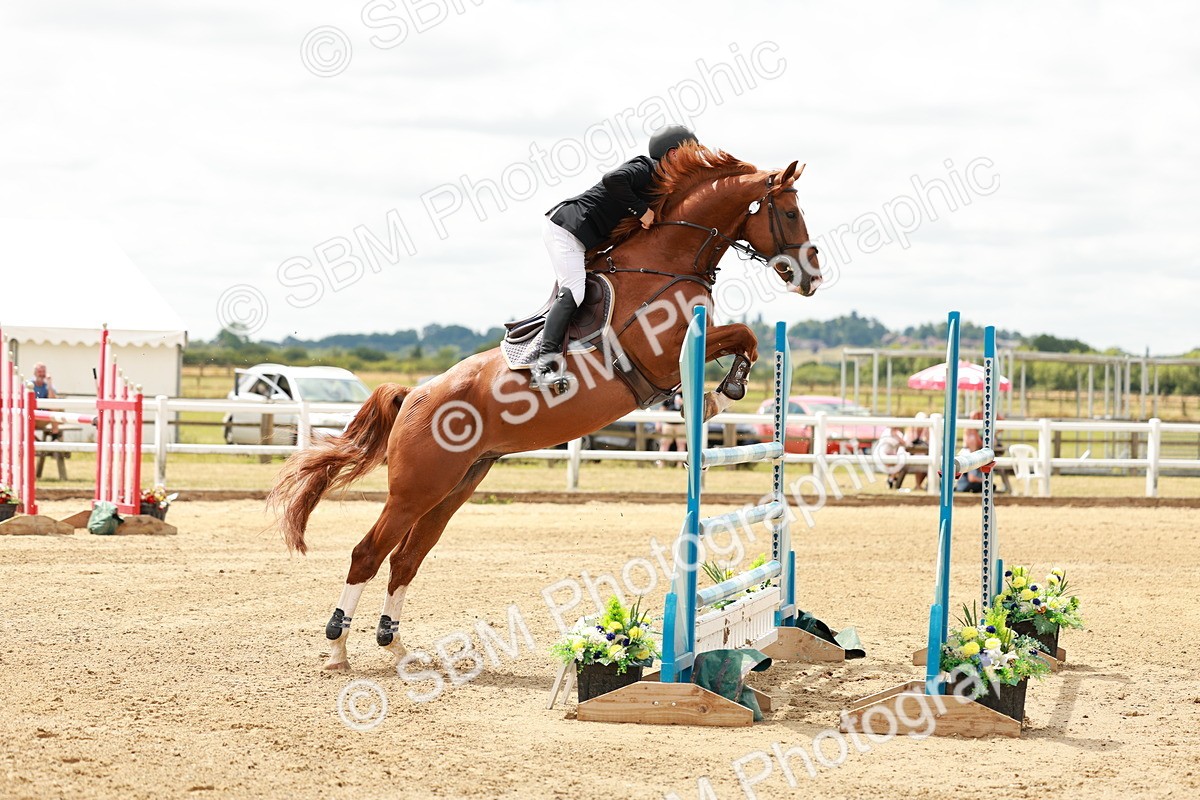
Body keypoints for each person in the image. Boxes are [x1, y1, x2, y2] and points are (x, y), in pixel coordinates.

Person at [530, 124, 700, 388]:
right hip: (567, 229)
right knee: (575, 291)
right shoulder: (646, 167)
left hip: (581, 235)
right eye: (691, 153)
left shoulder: (660, 182)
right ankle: (543, 367)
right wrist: (641, 210)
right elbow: (613, 179)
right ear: (673, 153)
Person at [656, 390, 686, 467]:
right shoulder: (669, 394)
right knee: (664, 444)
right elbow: (662, 408)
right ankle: (661, 464)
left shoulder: (686, 395)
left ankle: (680, 465)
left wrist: (683, 403)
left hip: (681, 424)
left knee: (681, 444)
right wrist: (658, 422)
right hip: (668, 423)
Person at [31, 362, 60, 435]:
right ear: (34, 373)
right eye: (39, 372)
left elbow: (53, 400)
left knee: (54, 406)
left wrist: (49, 383)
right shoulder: (29, 385)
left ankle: (55, 434)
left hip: (43, 417)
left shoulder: (47, 385)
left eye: (43, 372)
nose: (42, 374)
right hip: (31, 417)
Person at [955, 428, 984, 493]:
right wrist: (984, 480)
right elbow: (971, 478)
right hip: (964, 486)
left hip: (961, 485)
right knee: (982, 485)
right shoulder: (970, 457)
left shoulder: (966, 454)